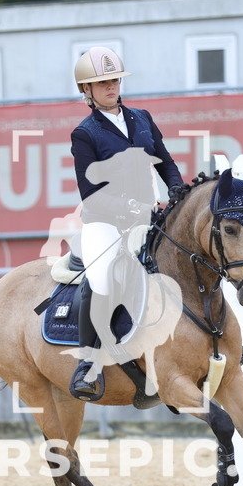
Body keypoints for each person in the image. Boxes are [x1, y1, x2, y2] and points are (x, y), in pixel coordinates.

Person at [68, 46, 187, 401]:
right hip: (105, 224)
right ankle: (86, 366)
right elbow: (91, 194)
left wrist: (178, 191)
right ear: (86, 91)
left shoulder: (142, 118)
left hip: (148, 219)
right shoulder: (85, 134)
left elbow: (165, 163)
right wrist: (136, 207)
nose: (111, 87)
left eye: (115, 80)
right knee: (101, 275)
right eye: (102, 82)